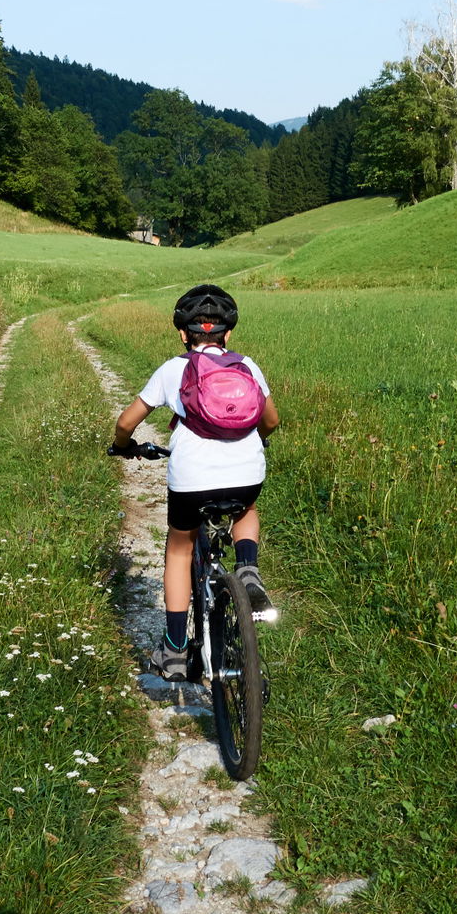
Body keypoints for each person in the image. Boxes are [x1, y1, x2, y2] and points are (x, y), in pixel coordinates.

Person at [109, 284, 280, 681]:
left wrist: (123, 447)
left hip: (192, 478)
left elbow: (125, 422)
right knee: (247, 510)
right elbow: (270, 420)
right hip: (247, 472)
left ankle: (173, 649)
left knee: (180, 549)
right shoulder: (247, 366)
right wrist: (259, 442)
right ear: (228, 334)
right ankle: (248, 570)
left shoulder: (173, 369)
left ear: (183, 334)